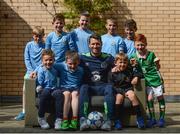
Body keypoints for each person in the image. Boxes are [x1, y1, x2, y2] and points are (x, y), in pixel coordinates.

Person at [79, 34, 115, 131]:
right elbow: (69, 64)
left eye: (98, 44)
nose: (95, 46)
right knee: (83, 87)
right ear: (89, 45)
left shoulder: (108, 57)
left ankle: (109, 120)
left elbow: (121, 64)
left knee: (110, 88)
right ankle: (82, 119)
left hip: (103, 87)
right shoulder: (82, 58)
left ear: (101, 44)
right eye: (93, 44)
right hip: (89, 87)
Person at [131, 34, 166, 128]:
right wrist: (134, 66)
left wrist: (158, 64)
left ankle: (162, 118)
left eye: (142, 45)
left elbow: (157, 68)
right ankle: (152, 118)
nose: (140, 47)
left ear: (146, 44)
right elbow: (135, 69)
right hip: (146, 80)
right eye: (138, 45)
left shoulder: (151, 54)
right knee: (149, 99)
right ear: (134, 45)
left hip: (155, 79)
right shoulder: (134, 56)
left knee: (159, 97)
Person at [14, 26, 45, 121]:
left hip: (41, 71)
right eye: (36, 36)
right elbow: (27, 59)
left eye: (40, 36)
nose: (37, 38)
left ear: (43, 36)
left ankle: (39, 111)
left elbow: (44, 61)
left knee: (40, 90)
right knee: (25, 90)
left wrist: (37, 71)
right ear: (33, 35)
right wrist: (31, 71)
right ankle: (24, 111)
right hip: (30, 72)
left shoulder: (45, 46)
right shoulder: (29, 45)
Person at [108, 53, 145, 130]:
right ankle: (117, 120)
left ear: (127, 63)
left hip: (128, 88)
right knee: (119, 98)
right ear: (115, 63)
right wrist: (122, 92)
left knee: (132, 95)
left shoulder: (129, 69)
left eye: (124, 62)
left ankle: (139, 117)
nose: (122, 64)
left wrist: (136, 77)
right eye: (120, 62)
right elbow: (111, 85)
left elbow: (139, 72)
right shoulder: (112, 73)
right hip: (118, 90)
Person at [53, 50, 83, 130]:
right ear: (66, 62)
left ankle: (74, 120)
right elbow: (48, 64)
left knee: (74, 94)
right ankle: (65, 120)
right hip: (64, 87)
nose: (72, 66)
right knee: (66, 94)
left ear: (78, 62)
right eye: (70, 64)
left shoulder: (81, 70)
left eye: (75, 64)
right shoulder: (61, 66)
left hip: (75, 88)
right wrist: (35, 72)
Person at [36, 49, 63, 130]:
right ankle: (41, 117)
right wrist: (39, 88)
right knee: (46, 92)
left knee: (58, 93)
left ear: (54, 60)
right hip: (44, 89)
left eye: (50, 60)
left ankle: (59, 119)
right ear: (42, 61)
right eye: (46, 60)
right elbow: (39, 83)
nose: (48, 62)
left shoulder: (55, 69)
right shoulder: (41, 70)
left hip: (54, 89)